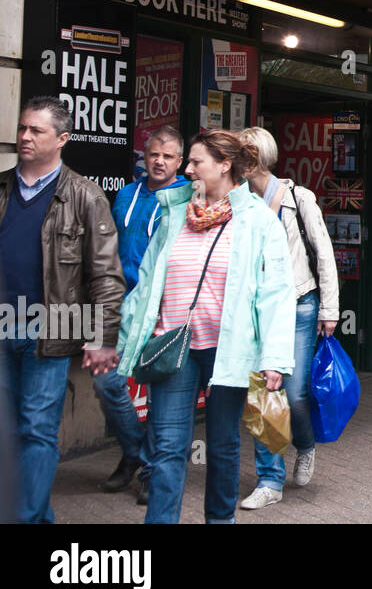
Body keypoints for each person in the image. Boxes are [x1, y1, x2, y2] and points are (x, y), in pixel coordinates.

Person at [116, 129, 296, 523]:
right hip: (173, 347)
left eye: (196, 161)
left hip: (227, 351)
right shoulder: (174, 213)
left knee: (223, 446)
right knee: (167, 448)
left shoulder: (259, 221)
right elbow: (147, 282)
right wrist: (127, 337)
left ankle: (220, 520)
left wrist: (274, 358)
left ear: (224, 165)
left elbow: (276, 293)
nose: (188, 168)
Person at [0, 96, 124, 523]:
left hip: (48, 331)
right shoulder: (1, 188)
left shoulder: (85, 196)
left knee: (36, 431)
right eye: (22, 128)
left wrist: (103, 337)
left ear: (63, 139)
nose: (25, 137)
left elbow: (105, 276)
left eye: (36, 130)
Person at [237, 127, 341, 510]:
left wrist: (329, 309)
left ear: (259, 157)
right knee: (266, 393)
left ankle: (306, 444)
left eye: (245, 156)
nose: (238, 164)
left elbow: (324, 253)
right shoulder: (239, 201)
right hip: (257, 309)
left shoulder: (299, 198)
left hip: (299, 303)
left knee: (294, 393)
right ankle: (269, 480)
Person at [103, 125, 189, 504]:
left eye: (168, 156)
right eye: (154, 154)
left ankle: (152, 471)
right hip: (117, 303)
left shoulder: (188, 200)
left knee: (158, 394)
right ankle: (135, 451)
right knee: (106, 383)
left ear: (180, 162)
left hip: (160, 308)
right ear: (145, 155)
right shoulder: (126, 193)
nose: (159, 161)